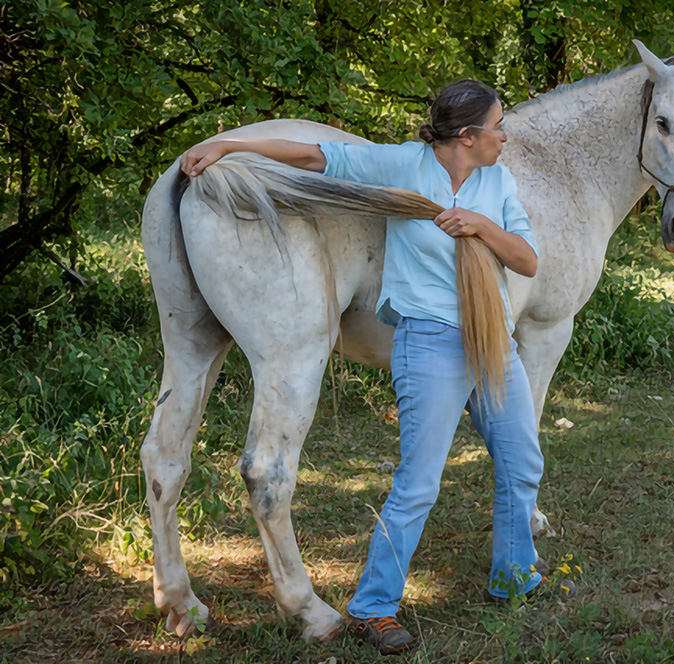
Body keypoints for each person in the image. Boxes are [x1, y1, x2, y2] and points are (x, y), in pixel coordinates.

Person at [181, 80, 571, 656]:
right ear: (467, 137)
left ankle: (513, 573)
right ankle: (373, 606)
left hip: (493, 339)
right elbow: (317, 156)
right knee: (419, 484)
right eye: (498, 127)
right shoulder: (402, 165)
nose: (505, 137)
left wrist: (480, 227)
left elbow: (527, 260)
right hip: (430, 343)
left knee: (522, 460)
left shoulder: (499, 181)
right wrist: (230, 149)